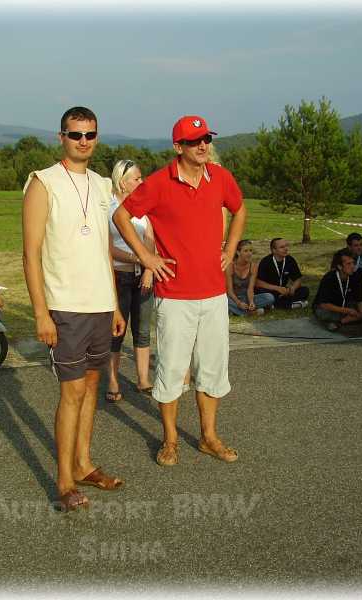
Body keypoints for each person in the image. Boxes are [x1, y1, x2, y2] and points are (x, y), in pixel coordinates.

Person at [113, 114, 246, 467]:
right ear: (178, 146)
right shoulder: (159, 182)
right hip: (174, 297)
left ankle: (209, 438)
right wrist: (146, 257)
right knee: (171, 371)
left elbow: (240, 209)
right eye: (194, 141)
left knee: (212, 370)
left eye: (206, 139)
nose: (202, 146)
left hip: (214, 295)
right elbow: (121, 217)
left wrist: (231, 248)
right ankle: (170, 440)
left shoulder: (220, 177)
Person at [22, 106, 126, 512]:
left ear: (97, 137)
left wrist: (115, 306)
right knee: (72, 392)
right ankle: (64, 481)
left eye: (90, 134)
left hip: (100, 305)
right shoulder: (42, 183)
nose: (83, 141)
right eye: (75, 134)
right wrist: (40, 313)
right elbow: (31, 254)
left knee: (92, 387)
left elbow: (104, 250)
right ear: (61, 137)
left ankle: (84, 464)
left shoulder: (102, 185)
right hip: (65, 306)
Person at [107, 159, 154, 402]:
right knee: (117, 331)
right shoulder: (108, 208)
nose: (141, 181)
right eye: (136, 178)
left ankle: (143, 379)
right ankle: (113, 381)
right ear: (122, 182)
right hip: (119, 276)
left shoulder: (143, 206)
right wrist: (138, 258)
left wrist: (149, 269)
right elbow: (107, 247)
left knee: (142, 330)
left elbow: (150, 238)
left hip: (143, 275)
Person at [313, 248, 362, 330]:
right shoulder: (329, 278)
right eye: (348, 264)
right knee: (322, 313)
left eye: (353, 263)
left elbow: (360, 298)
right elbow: (324, 304)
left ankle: (341, 322)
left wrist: (361, 311)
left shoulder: (355, 275)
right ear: (340, 266)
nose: (352, 266)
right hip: (330, 308)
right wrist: (348, 311)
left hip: (346, 305)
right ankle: (350, 319)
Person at [255, 238, 309, 309]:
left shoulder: (290, 260)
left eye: (286, 246)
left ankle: (275, 305)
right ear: (274, 250)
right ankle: (290, 305)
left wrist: (293, 288)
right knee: (265, 294)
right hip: (270, 290)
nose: (286, 249)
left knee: (305, 290)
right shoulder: (266, 262)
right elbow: (258, 282)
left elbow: (298, 279)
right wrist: (277, 288)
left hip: (284, 290)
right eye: (282, 247)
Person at [226, 239, 273, 316]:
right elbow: (230, 291)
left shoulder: (253, 267)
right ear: (238, 252)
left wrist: (251, 302)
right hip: (233, 298)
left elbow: (250, 289)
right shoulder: (230, 266)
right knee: (225, 300)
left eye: (251, 251)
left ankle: (237, 311)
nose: (249, 253)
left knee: (269, 297)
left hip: (247, 297)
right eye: (246, 251)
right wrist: (238, 303)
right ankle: (248, 313)